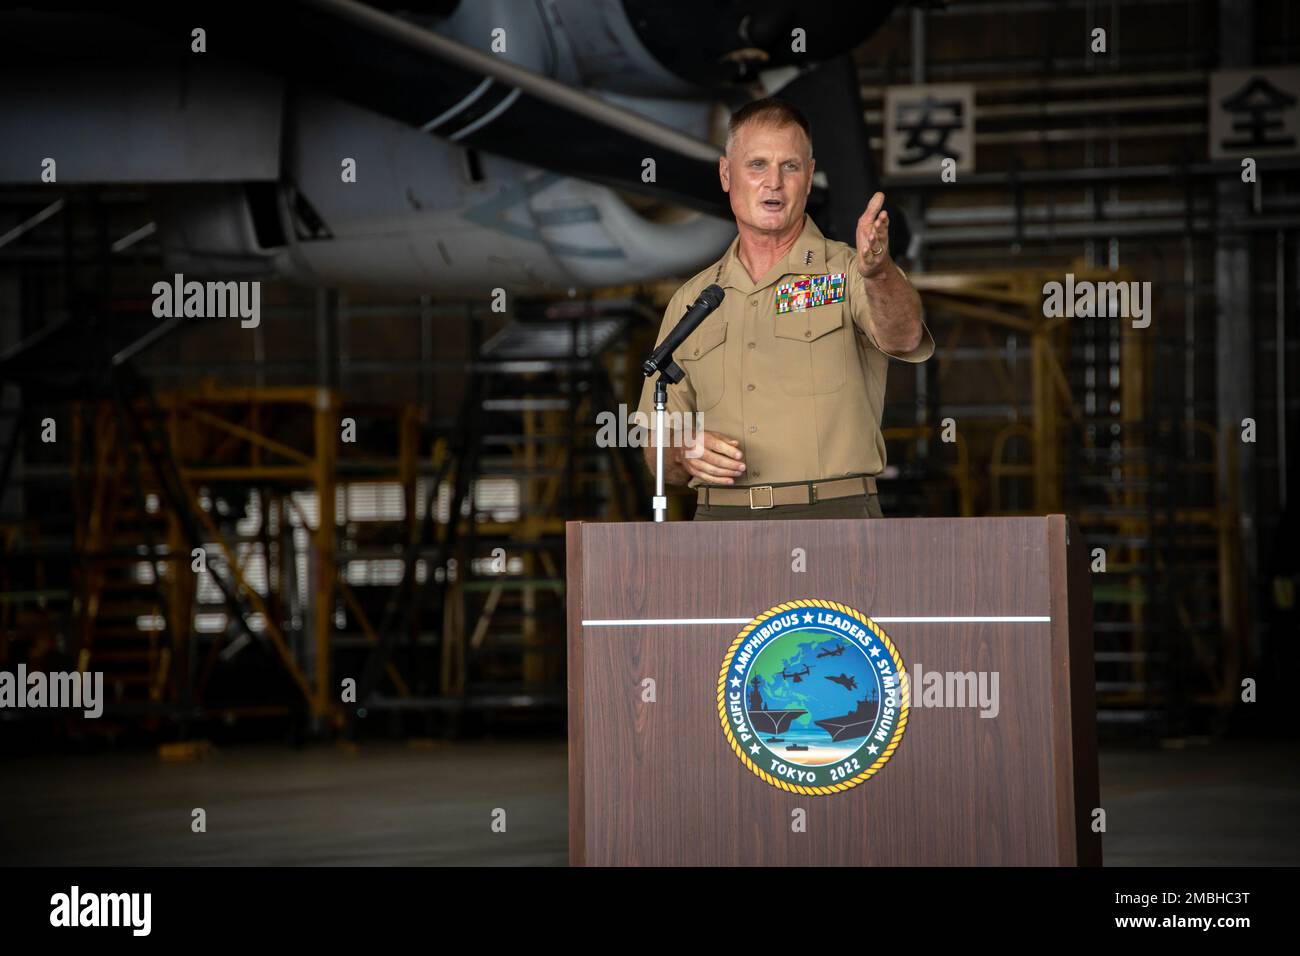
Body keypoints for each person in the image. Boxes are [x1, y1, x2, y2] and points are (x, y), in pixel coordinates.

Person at [637, 97, 933, 520]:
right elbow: (657, 451)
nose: (773, 182)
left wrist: (880, 272)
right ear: (726, 174)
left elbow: (904, 336)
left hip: (834, 517)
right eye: (757, 165)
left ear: (809, 178)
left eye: (789, 167)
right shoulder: (692, 300)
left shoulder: (849, 273)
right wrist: (683, 452)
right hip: (721, 524)